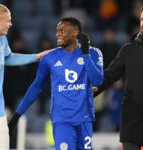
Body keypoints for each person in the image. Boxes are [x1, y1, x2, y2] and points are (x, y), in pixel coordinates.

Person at [8, 17, 104, 149]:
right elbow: (36, 87)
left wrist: (85, 54)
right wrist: (16, 116)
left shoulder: (93, 53)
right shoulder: (50, 58)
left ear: (75, 33)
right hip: (62, 121)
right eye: (57, 30)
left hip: (84, 118)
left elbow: (97, 80)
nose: (57, 33)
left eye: (62, 30)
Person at [0, 4, 51, 150]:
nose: (11, 24)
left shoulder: (2, 40)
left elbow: (9, 58)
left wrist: (36, 57)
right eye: (8, 20)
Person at [94, 7, 143, 150]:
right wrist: (92, 90)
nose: (142, 23)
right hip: (132, 121)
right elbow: (109, 75)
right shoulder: (128, 50)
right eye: (141, 19)